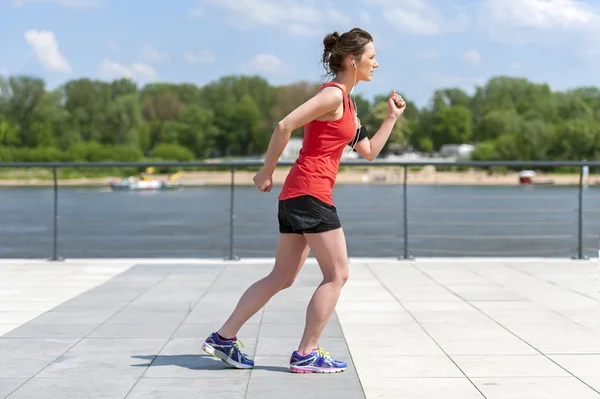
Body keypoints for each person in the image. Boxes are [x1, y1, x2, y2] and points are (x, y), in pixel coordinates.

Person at [202, 27, 406, 374]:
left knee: (282, 276)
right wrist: (265, 173)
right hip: (310, 193)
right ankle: (306, 352)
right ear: (352, 61)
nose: (377, 63)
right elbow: (284, 125)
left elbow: (369, 152)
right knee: (337, 274)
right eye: (372, 57)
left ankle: (224, 337)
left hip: (300, 195)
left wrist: (390, 119)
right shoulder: (332, 97)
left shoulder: (348, 105)